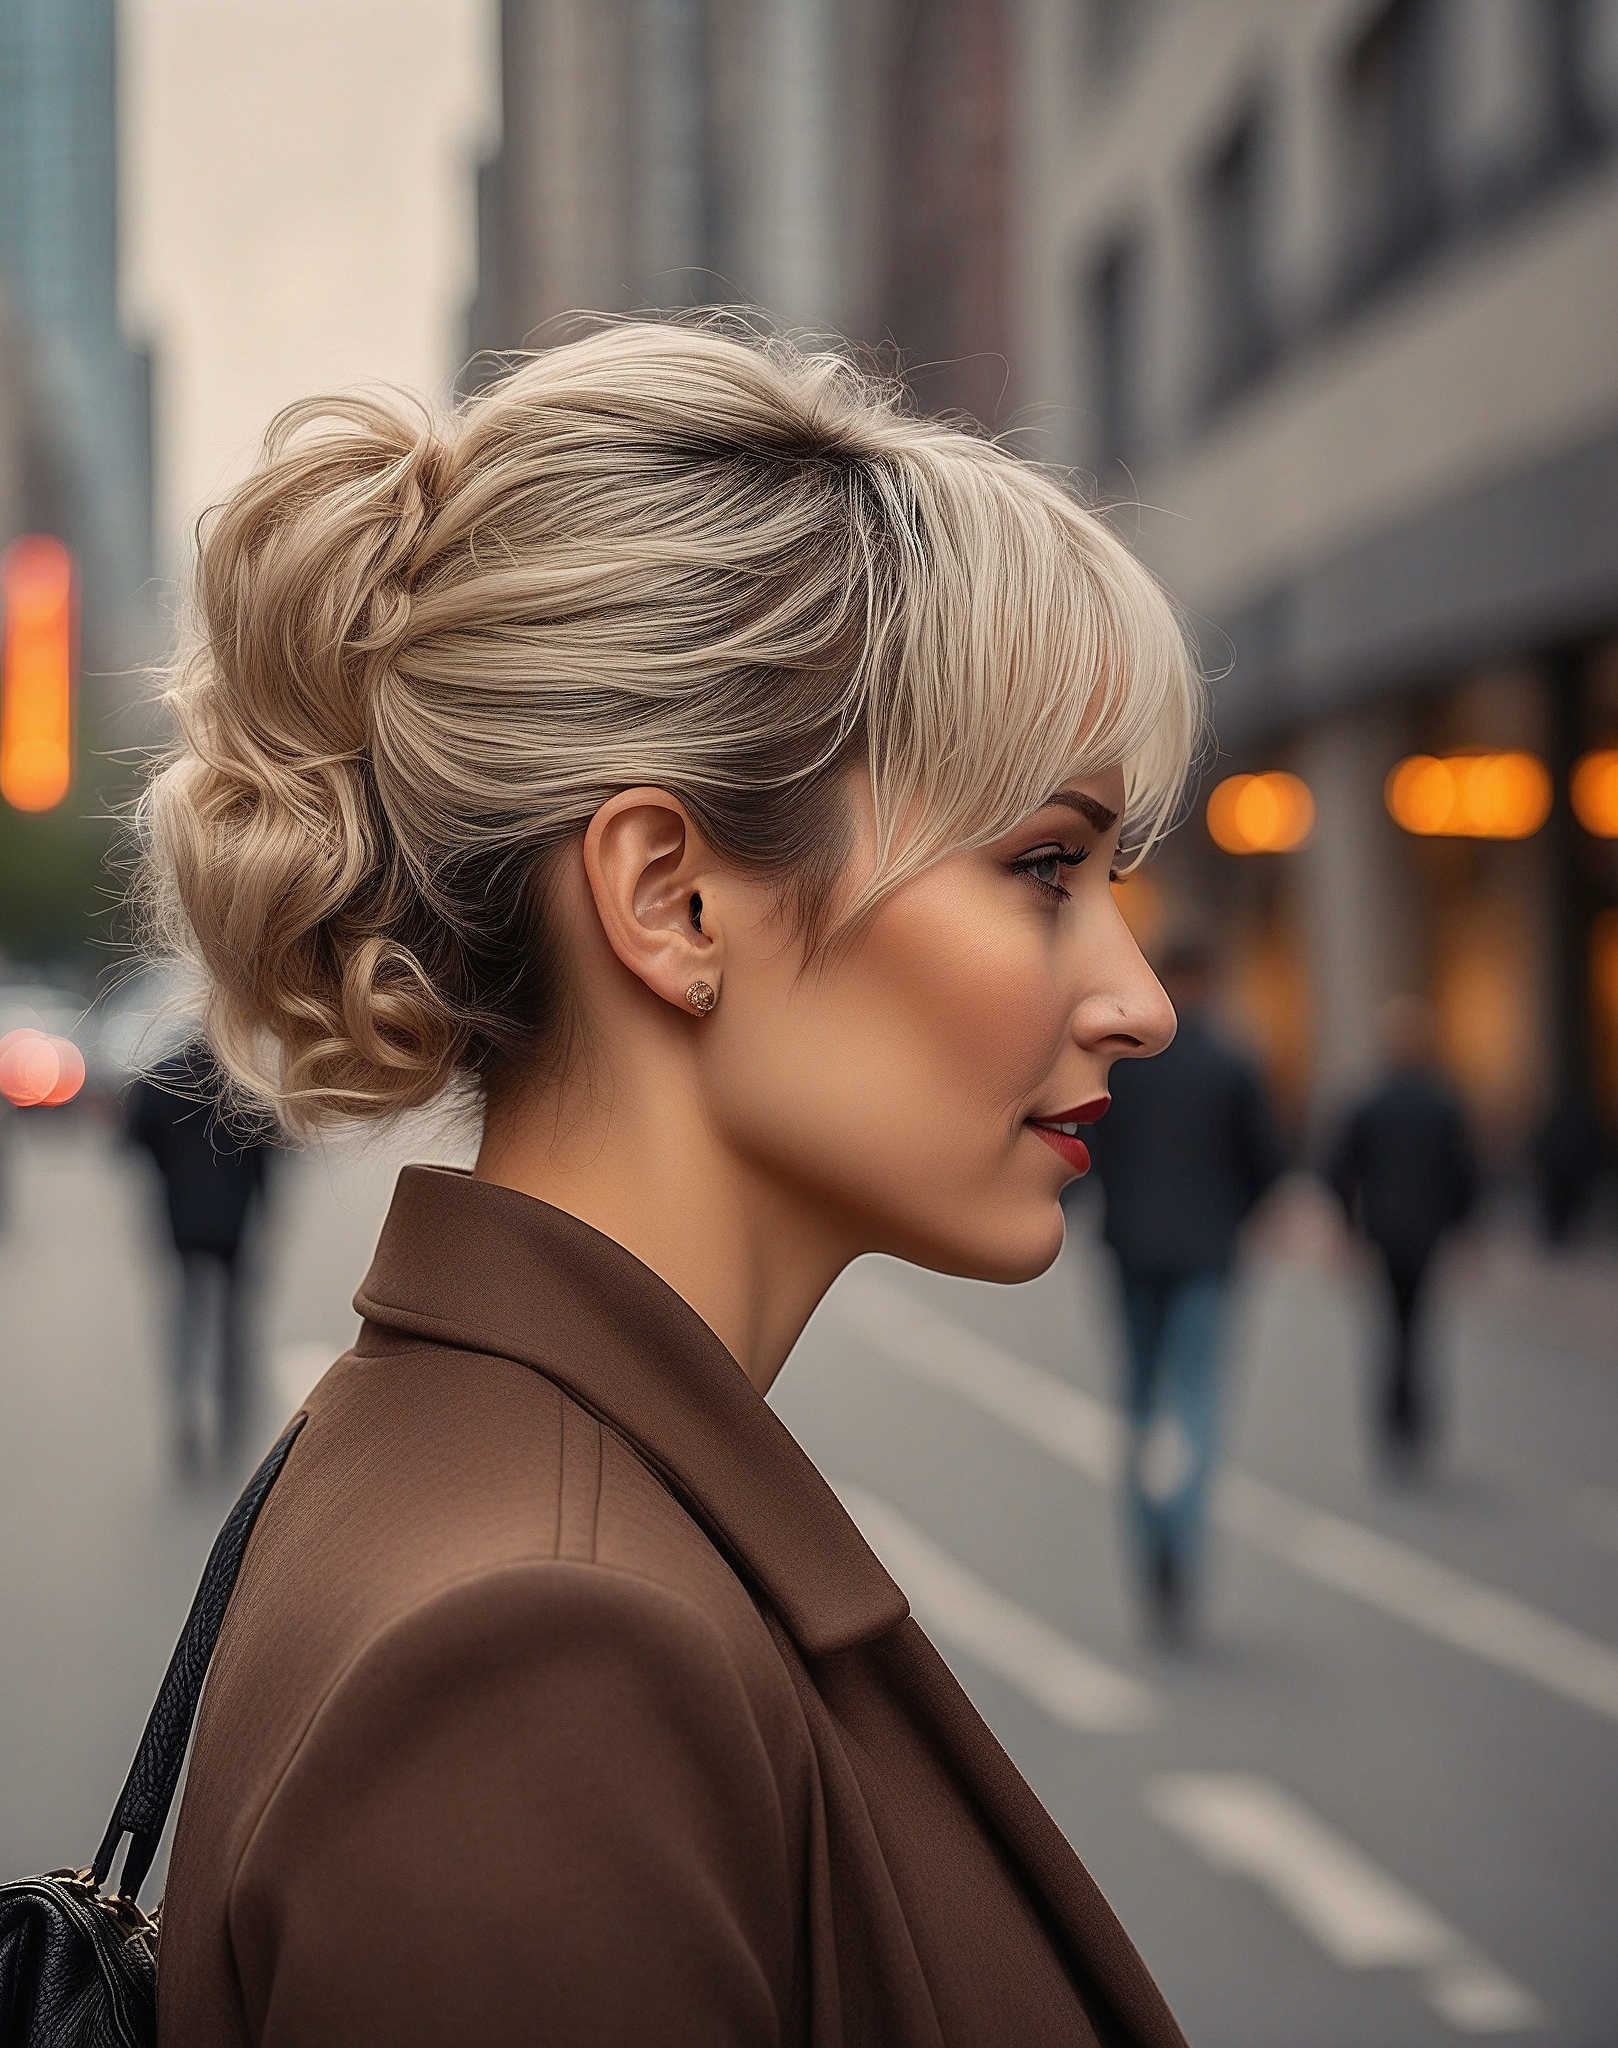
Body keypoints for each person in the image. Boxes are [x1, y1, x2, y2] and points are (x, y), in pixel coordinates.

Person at [141, 323, 1199, 2045]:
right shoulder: (548, 1663)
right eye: (1043, 867)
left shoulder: (476, 1479)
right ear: (671, 899)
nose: (1137, 998)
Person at [1088, 940, 1285, 1636]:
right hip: (1207, 1251)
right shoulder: (1233, 1063)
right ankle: (1183, 1530)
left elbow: (1090, 1154)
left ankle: (1149, 1544)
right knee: (1197, 1403)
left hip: (1131, 1248)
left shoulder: (1123, 1066)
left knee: (1139, 1403)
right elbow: (1268, 1163)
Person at [1326, 995, 1477, 1472]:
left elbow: (1339, 1169)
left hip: (1387, 1230)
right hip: (1423, 1231)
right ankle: (1411, 1421)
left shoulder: (1370, 1101)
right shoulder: (1442, 1102)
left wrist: (1348, 1226)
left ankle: (1397, 1422)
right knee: (1416, 1327)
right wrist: (1461, 1226)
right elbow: (1465, 1174)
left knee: (1395, 1328)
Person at [123, 1036, 281, 1471]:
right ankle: (233, 1416)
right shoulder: (246, 1081)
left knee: (186, 1316)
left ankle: (185, 1405)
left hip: (180, 1216)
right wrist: (264, 1209)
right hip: (234, 1218)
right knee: (234, 1322)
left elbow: (133, 1139)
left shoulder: (161, 1077)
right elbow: (270, 1151)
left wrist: (169, 1170)